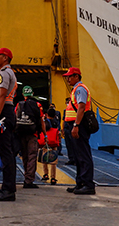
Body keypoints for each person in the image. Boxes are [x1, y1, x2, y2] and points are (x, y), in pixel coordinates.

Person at [0, 47, 18, 202]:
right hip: (7, 113)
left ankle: (8, 190)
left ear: (5, 58)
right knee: (7, 152)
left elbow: (2, 95)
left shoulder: (4, 73)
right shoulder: (9, 73)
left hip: (4, 113)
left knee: (6, 153)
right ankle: (7, 187)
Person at [63, 67, 96, 195]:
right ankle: (80, 183)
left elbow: (81, 107)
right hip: (75, 125)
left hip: (79, 125)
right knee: (78, 156)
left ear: (77, 76)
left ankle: (88, 185)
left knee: (83, 155)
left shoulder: (80, 89)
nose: (68, 78)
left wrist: (76, 125)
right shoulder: (75, 89)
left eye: (70, 76)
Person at [16, 86, 46, 189]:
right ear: (32, 93)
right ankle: (29, 180)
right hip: (33, 134)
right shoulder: (37, 105)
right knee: (32, 156)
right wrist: (44, 134)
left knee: (24, 156)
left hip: (21, 134)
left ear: (23, 94)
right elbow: (41, 121)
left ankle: (26, 176)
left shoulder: (19, 105)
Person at [41, 108, 61, 185]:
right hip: (54, 143)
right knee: (53, 160)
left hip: (46, 141)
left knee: (44, 158)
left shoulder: (45, 121)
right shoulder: (56, 122)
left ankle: (46, 174)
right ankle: (53, 178)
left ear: (47, 114)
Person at [63, 97, 77, 166]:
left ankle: (75, 159)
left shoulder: (75, 109)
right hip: (66, 129)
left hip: (72, 127)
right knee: (68, 145)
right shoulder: (65, 110)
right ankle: (71, 159)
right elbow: (64, 120)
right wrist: (63, 129)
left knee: (74, 144)